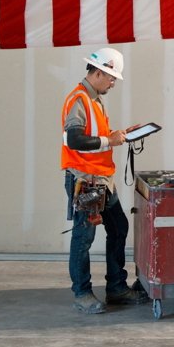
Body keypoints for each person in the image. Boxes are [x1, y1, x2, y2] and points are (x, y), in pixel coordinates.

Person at [60, 47, 149, 314]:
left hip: (101, 180)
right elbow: (74, 140)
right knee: (83, 238)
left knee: (119, 228)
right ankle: (82, 293)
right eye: (111, 77)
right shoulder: (78, 100)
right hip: (85, 181)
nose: (112, 82)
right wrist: (110, 140)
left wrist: (118, 134)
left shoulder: (94, 98)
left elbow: (94, 136)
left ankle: (116, 288)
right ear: (98, 72)